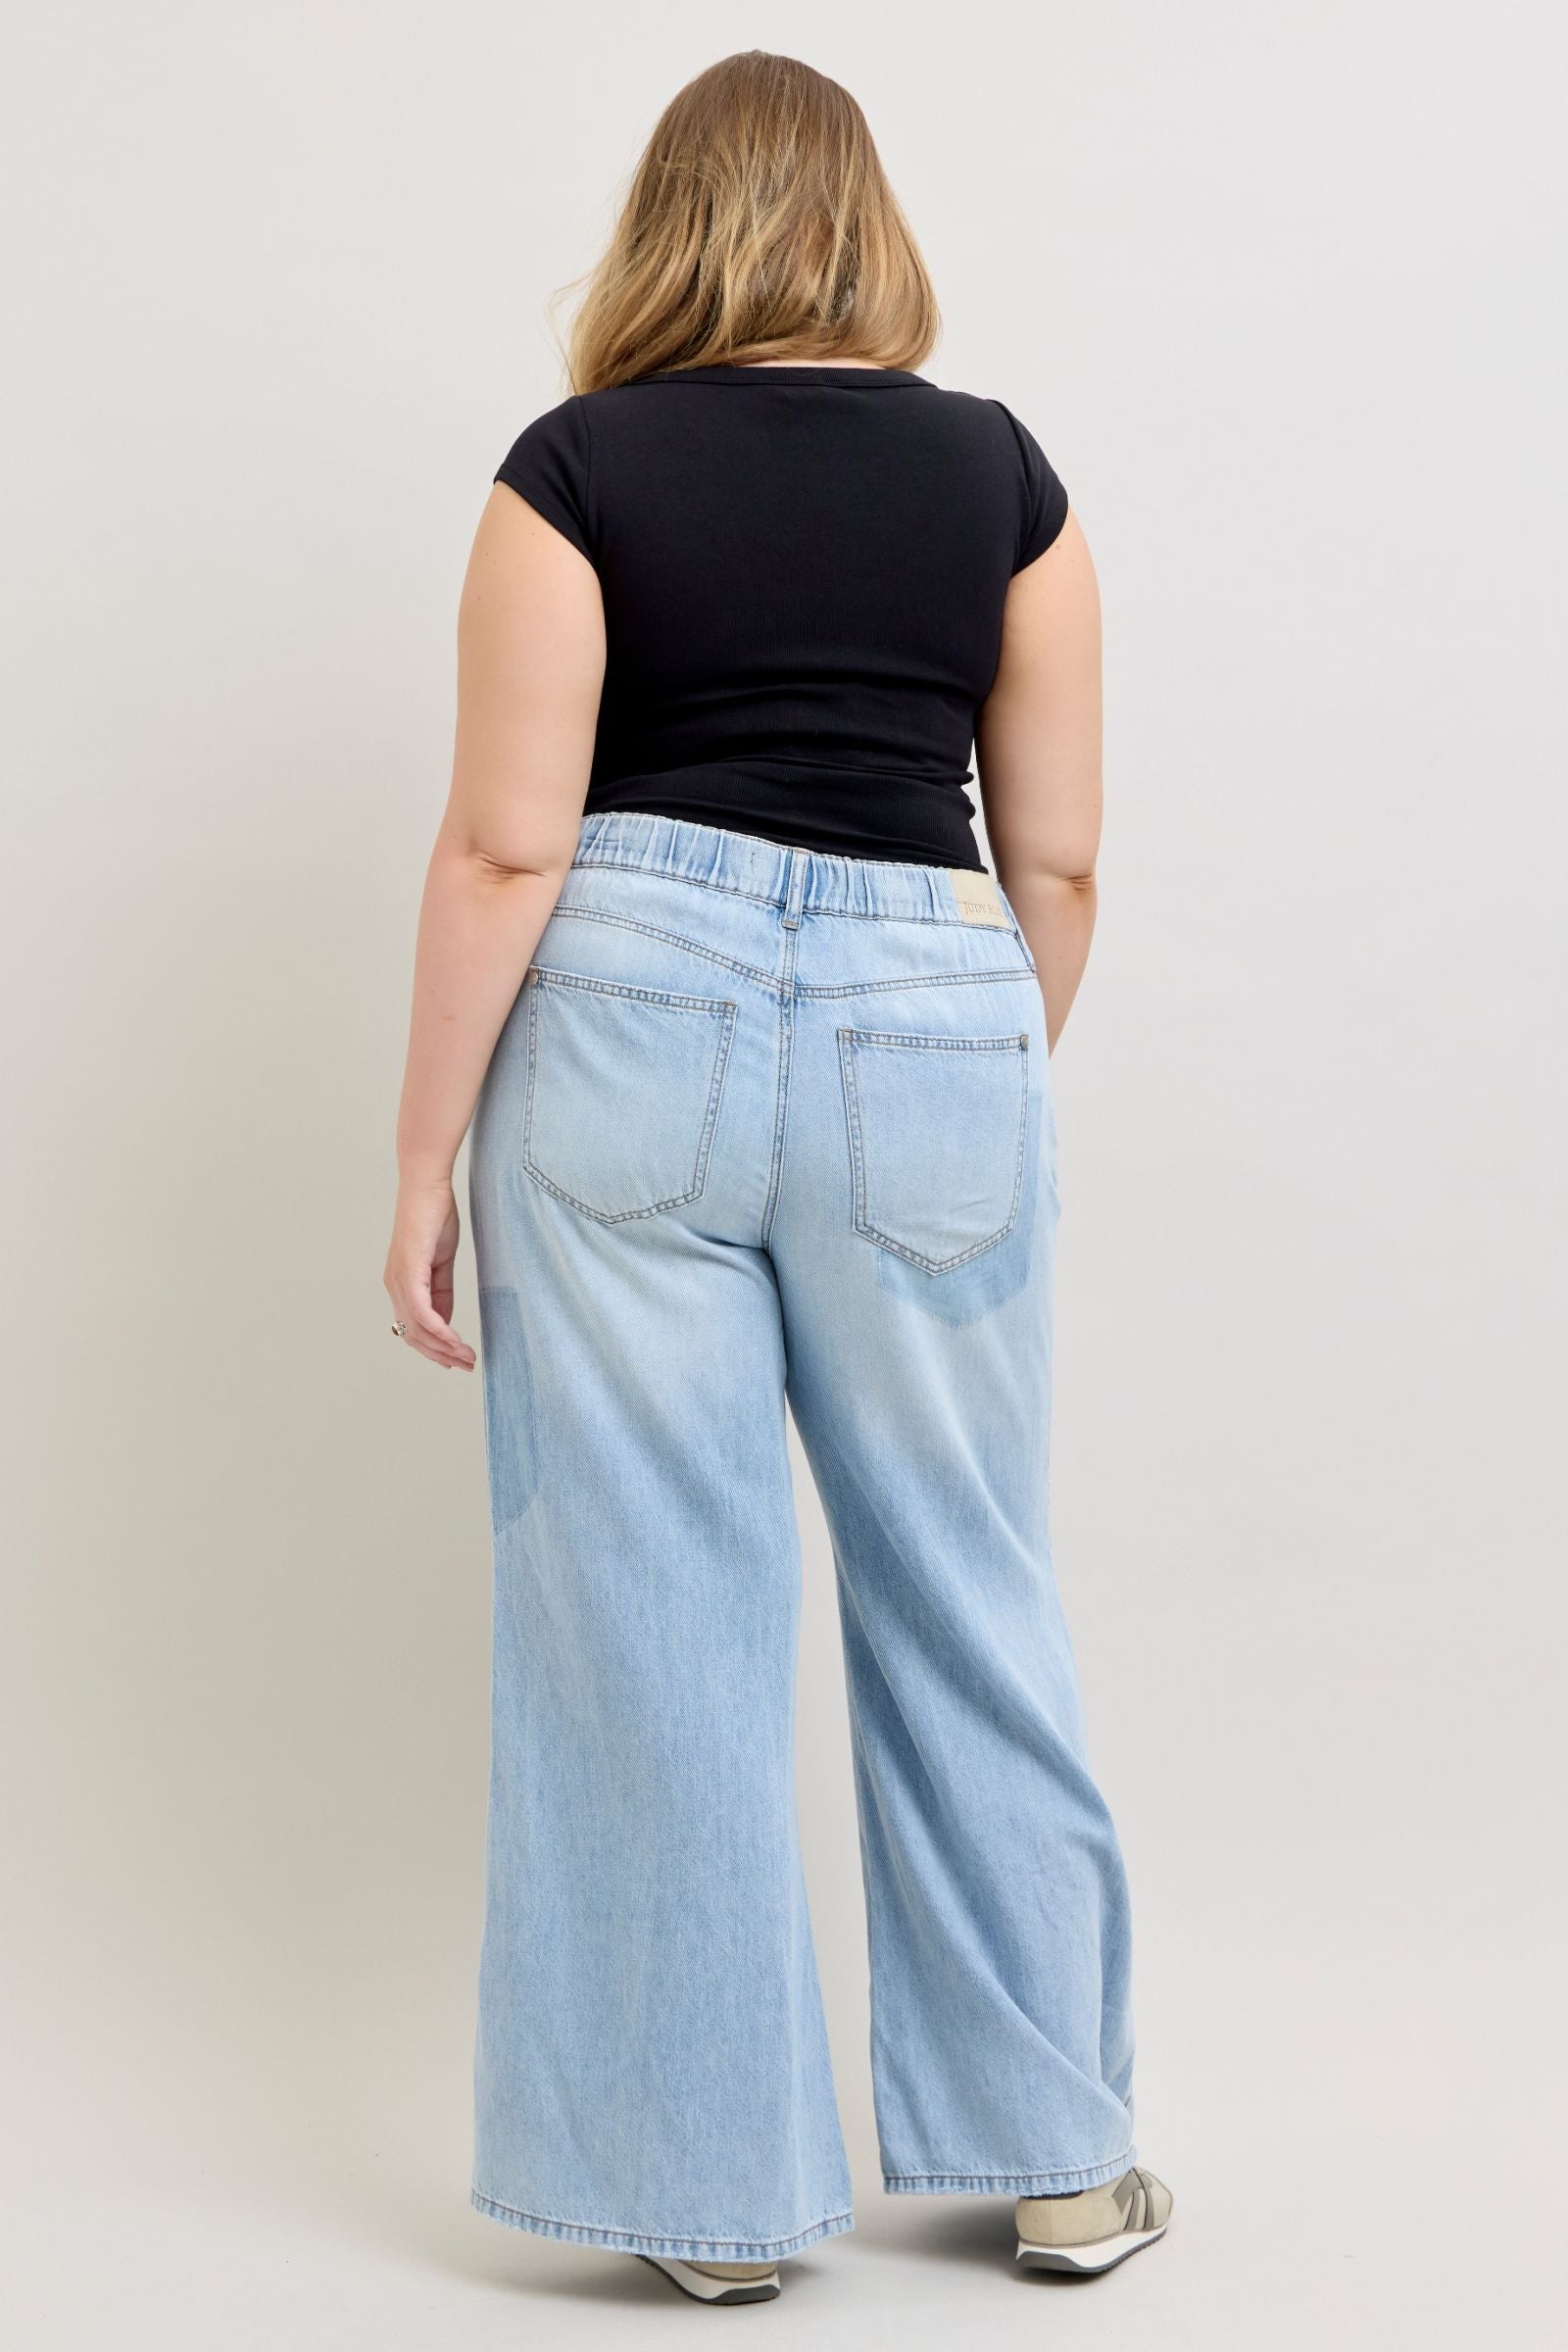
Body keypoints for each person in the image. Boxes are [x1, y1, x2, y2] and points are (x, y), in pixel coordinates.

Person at [384, 48, 1171, 2306]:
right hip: (935, 1009)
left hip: (627, 1018)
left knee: (651, 1607)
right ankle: (1060, 2161)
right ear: (865, 227)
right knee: (966, 1581)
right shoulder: (1003, 477)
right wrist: (955, 1078)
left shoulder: (570, 471)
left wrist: (423, 1155)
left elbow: (506, 845)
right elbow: (1059, 857)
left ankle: (708, 2202)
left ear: (670, 228)